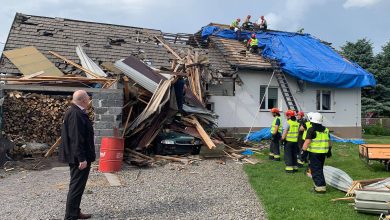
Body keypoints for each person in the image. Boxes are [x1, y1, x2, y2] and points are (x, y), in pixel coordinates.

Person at [59, 90, 95, 220]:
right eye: (88, 99)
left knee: (78, 186)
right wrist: (82, 158)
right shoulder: (75, 114)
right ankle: (70, 216)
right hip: (78, 158)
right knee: (76, 187)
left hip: (78, 156)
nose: (89, 102)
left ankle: (75, 211)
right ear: (83, 100)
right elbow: (76, 138)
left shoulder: (76, 112)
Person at [302, 112, 332, 193]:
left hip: (314, 154)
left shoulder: (311, 129)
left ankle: (320, 188)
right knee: (319, 169)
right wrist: (329, 150)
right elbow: (329, 141)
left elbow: (307, 142)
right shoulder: (326, 129)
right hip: (323, 153)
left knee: (315, 170)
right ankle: (320, 185)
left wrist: (303, 154)